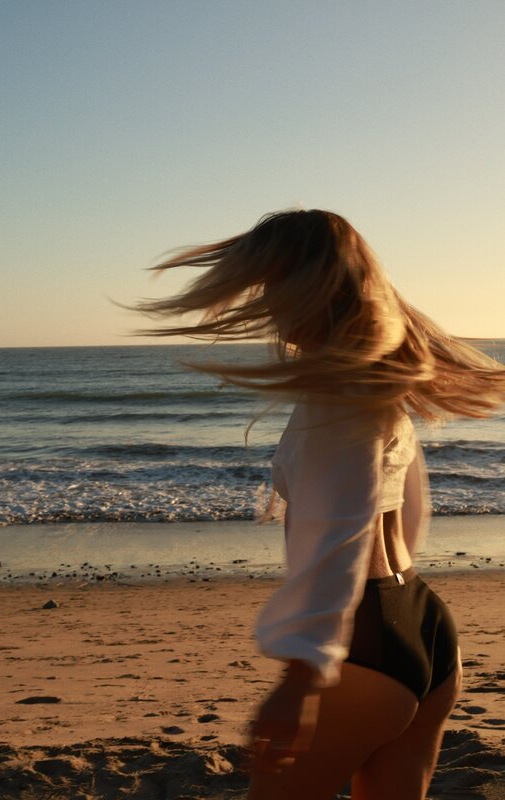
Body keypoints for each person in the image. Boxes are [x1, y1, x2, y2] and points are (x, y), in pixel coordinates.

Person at [136, 210, 505, 800]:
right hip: (424, 621)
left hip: (363, 640)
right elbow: (405, 506)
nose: (269, 306)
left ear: (311, 289)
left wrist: (304, 672)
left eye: (273, 286)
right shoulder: (377, 379)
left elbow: (341, 528)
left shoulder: (335, 393)